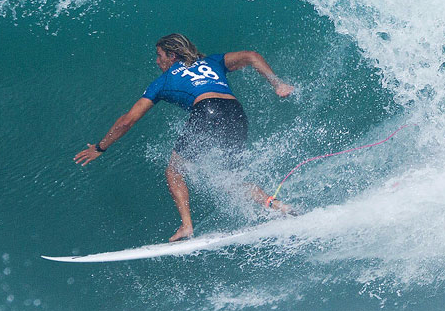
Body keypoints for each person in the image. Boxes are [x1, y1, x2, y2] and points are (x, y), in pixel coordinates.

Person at [74, 33, 295, 242]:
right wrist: (278, 84)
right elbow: (251, 56)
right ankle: (276, 205)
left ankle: (187, 226)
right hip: (236, 113)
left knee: (174, 171)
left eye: (159, 55)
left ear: (172, 56)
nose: (157, 61)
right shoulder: (212, 62)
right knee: (231, 179)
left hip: (207, 111)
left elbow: (126, 121)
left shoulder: (164, 81)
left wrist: (100, 147)